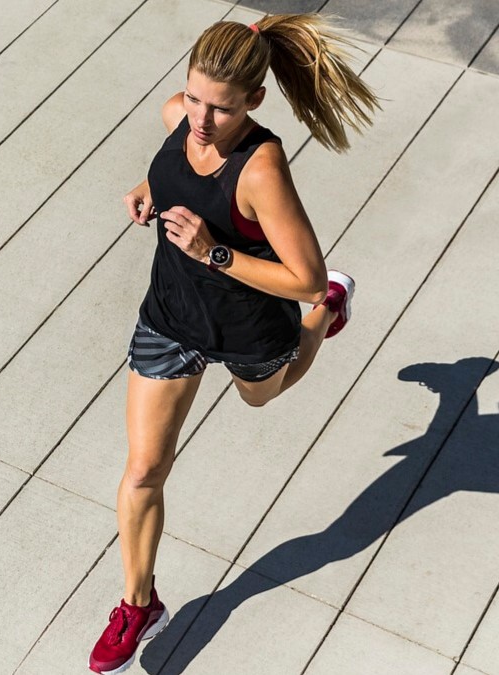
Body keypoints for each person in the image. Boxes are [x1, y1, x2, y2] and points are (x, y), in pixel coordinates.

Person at [88, 14, 379, 674]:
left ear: (254, 101)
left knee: (262, 396)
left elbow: (301, 275)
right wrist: (147, 188)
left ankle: (332, 313)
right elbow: (172, 164)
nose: (199, 119)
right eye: (193, 98)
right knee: (142, 471)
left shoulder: (261, 168)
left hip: (251, 322)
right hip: (171, 316)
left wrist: (213, 250)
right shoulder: (179, 117)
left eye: (219, 107)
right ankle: (139, 602)